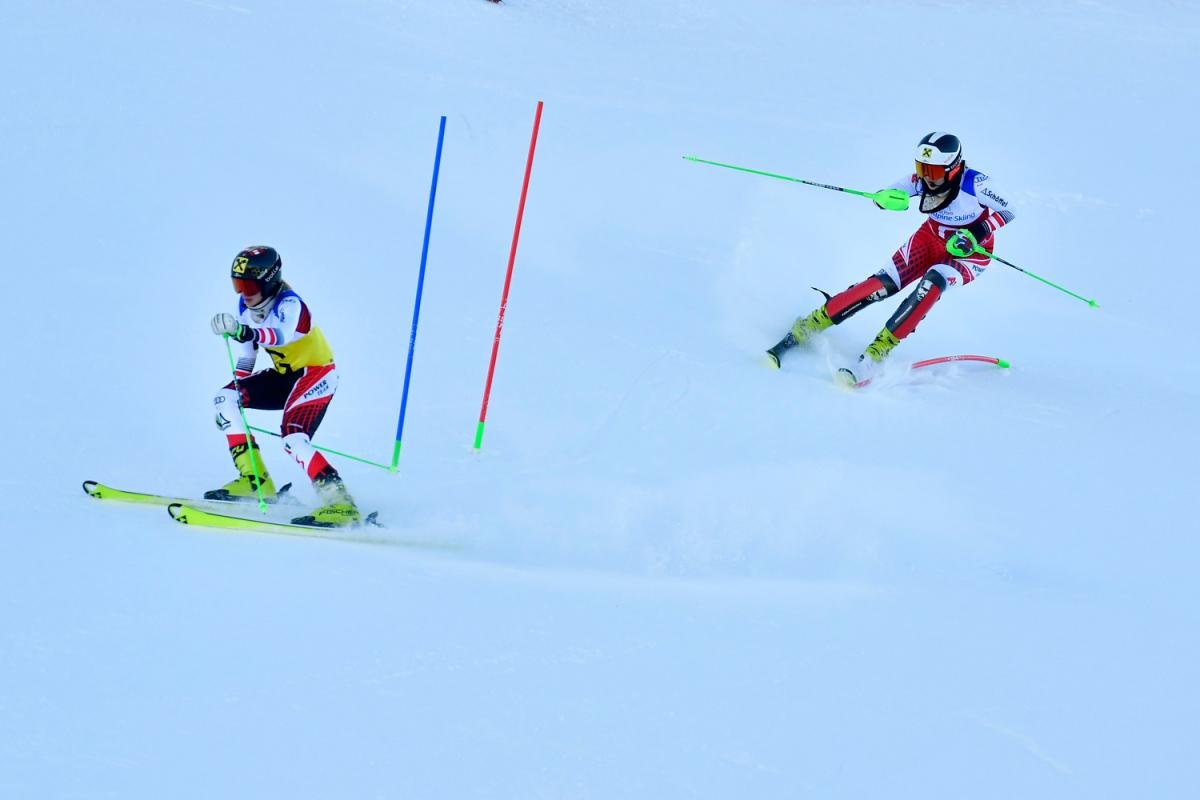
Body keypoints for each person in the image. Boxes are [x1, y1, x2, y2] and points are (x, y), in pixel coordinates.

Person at [766, 132, 1016, 383]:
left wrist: (977, 232)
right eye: (922, 168)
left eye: (934, 171)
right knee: (881, 285)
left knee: (933, 282)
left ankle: (878, 351)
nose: (927, 177)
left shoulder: (977, 183)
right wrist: (883, 199)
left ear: (952, 168)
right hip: (929, 240)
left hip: (970, 253)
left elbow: (1010, 209)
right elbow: (893, 192)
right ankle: (810, 325)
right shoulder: (922, 180)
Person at [206, 246, 361, 527]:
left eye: (250, 285)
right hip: (285, 377)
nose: (244, 293)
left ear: (270, 281)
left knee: (293, 438)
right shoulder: (245, 307)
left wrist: (243, 331)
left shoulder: (291, 305)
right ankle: (255, 481)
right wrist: (234, 403)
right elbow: (247, 355)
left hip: (316, 374)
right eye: (238, 285)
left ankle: (341, 503)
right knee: (224, 398)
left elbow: (279, 336)